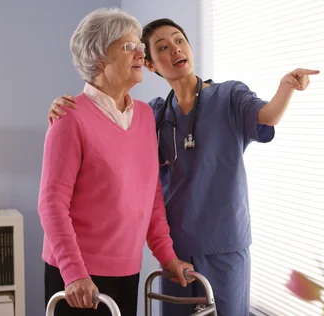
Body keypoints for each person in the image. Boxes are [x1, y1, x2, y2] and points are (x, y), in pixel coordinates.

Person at [46, 17, 319, 316]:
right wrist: (74, 273)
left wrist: (286, 89)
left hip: (183, 254)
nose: (172, 50)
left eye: (178, 41)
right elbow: (53, 202)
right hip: (119, 265)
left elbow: (266, 115)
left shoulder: (174, 109)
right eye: (134, 47)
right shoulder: (125, 115)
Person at [38, 10, 194, 316]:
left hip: (126, 269)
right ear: (99, 59)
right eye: (128, 47)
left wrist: (166, 256)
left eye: (139, 45)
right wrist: (74, 273)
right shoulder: (69, 117)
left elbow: (151, 195)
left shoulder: (146, 116)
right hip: (78, 278)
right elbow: (51, 204)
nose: (140, 52)